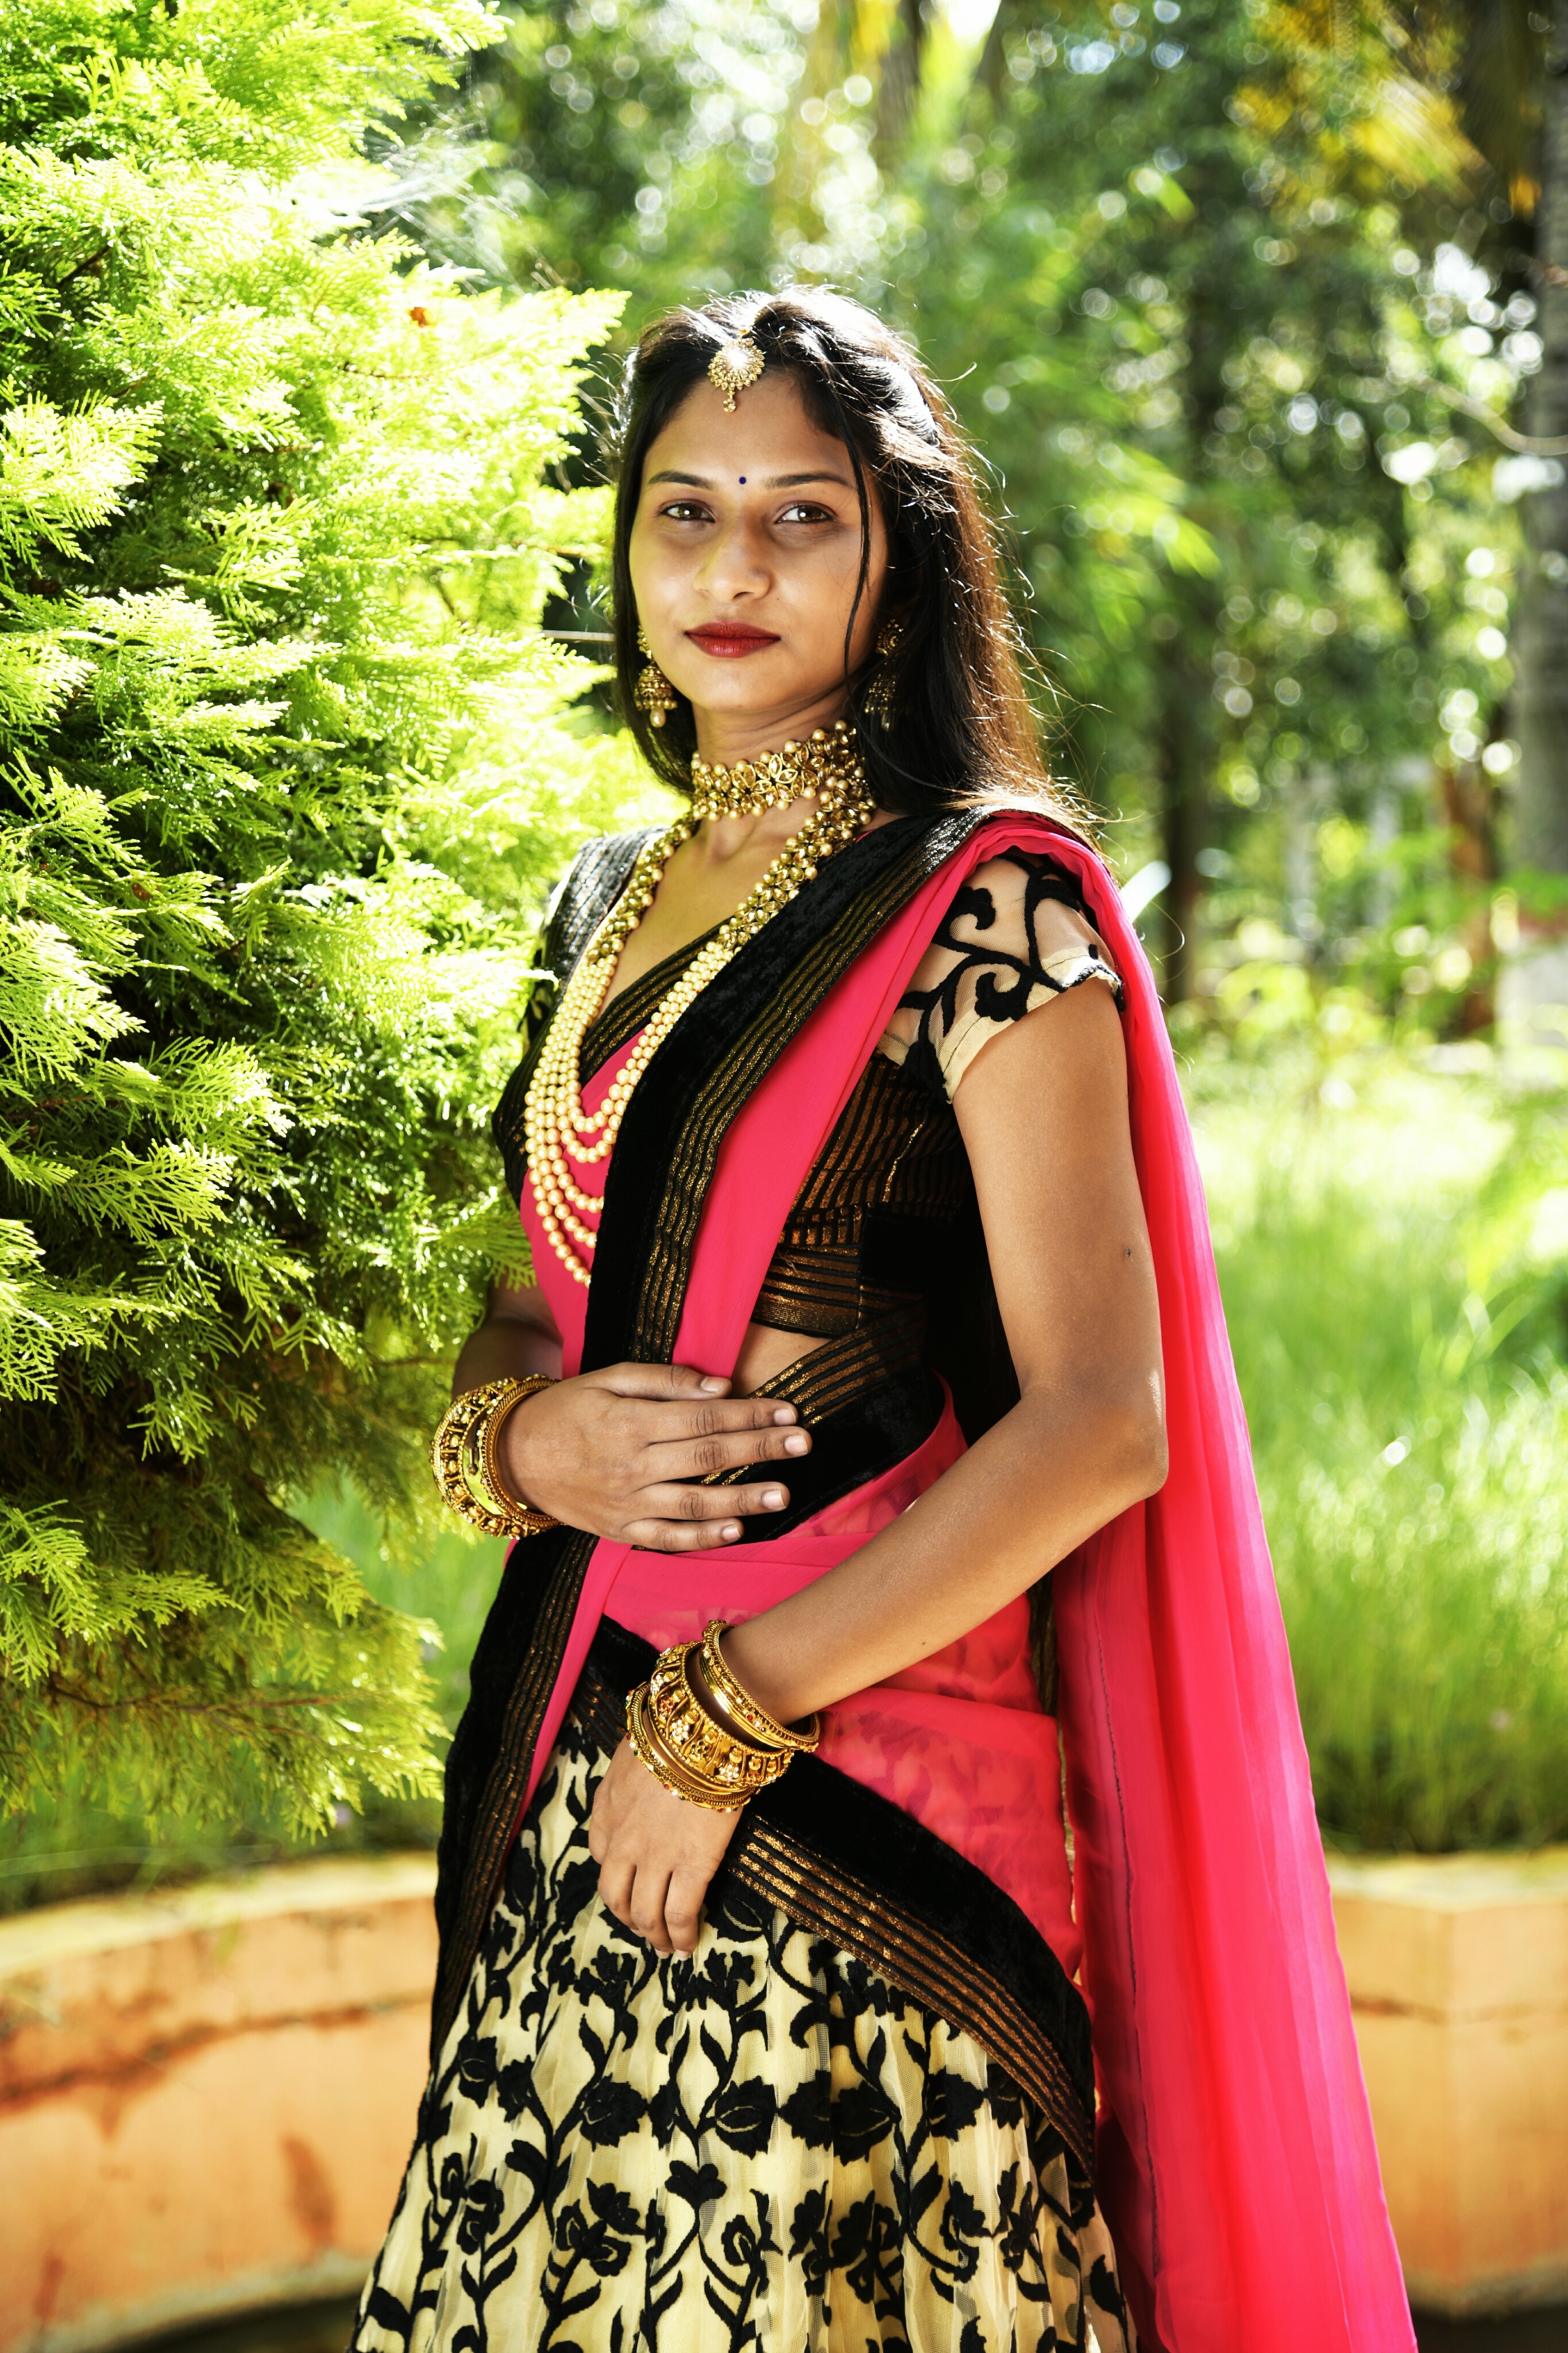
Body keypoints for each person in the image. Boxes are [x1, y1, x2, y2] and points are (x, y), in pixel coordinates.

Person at [351, 292, 1413, 2353]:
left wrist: (729, 1715)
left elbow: (1101, 1417)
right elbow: (521, 1307)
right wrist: (521, 1440)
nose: (732, 568)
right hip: (579, 1756)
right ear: (626, 547)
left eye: (802, 517)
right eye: (684, 511)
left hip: (848, 1788)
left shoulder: (987, 900)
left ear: (898, 561)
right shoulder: (597, 903)